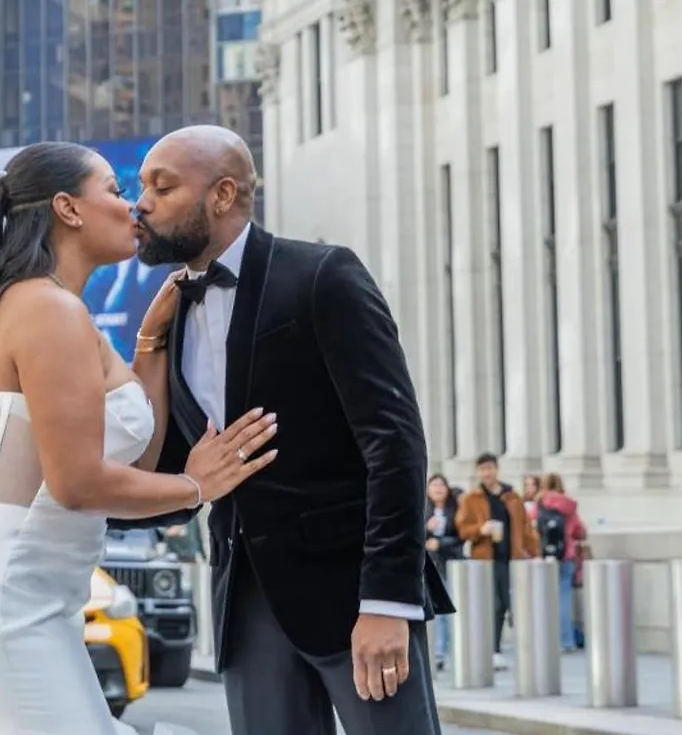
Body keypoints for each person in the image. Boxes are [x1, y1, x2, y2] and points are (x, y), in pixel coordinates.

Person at [0, 142, 274, 735]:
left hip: (20, 581)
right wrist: (195, 487)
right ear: (68, 208)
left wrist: (149, 345)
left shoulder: (55, 308)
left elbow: (133, 453)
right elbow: (77, 482)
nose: (133, 207)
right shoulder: (48, 311)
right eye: (114, 190)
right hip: (7, 586)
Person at [115, 125, 449, 735]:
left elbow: (395, 442)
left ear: (221, 195)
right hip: (244, 606)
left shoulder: (323, 275)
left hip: (352, 598)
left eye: (163, 187)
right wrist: (150, 345)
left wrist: (385, 604)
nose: (142, 203)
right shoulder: (175, 313)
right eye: (142, 187)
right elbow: (174, 475)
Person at [454, 453, 537, 666]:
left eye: (490, 468)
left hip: (512, 556)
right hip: (485, 559)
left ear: (497, 469)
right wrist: (480, 530)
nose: (487, 473)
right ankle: (493, 649)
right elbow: (462, 529)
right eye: (482, 469)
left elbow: (525, 527)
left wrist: (533, 552)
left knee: (515, 604)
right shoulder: (471, 498)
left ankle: (525, 649)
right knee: (494, 604)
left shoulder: (511, 496)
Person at [535, 474, 587, 652]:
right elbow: (580, 531)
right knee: (564, 597)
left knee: (544, 599)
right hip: (566, 555)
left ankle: (546, 639)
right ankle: (566, 641)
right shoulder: (569, 506)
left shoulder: (538, 504)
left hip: (544, 557)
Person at [424, 475, 464, 671]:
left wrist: (441, 543)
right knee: (438, 614)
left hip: (452, 563)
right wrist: (426, 530)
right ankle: (439, 652)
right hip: (432, 565)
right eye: (434, 485)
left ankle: (453, 650)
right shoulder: (424, 510)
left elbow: (461, 537)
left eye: (441, 485)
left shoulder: (455, 510)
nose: (438, 489)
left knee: (454, 611)